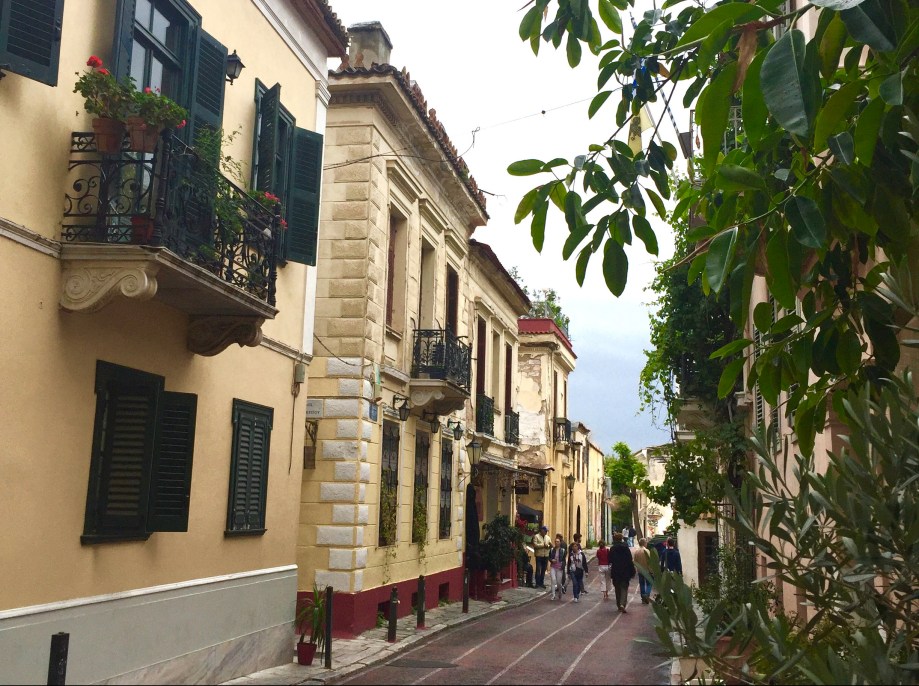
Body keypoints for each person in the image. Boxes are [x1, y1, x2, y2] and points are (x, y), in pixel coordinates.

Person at [609, 532, 635, 613]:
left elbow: (610, 560)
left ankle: (618, 604)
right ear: (622, 539)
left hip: (616, 571)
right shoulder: (626, 548)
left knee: (617, 588)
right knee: (624, 588)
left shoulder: (612, 549)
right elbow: (630, 560)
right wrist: (632, 571)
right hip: (625, 571)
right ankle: (622, 604)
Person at [632, 537, 653, 603]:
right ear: (644, 543)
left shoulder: (636, 552)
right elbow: (650, 562)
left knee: (642, 584)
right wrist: (651, 571)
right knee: (649, 583)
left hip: (640, 570)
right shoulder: (647, 551)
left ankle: (643, 597)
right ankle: (647, 594)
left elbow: (635, 561)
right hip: (647, 570)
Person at [548, 536, 566, 600]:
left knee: (558, 582)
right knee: (553, 580)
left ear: (560, 542)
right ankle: (553, 595)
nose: (556, 543)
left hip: (559, 568)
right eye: (555, 541)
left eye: (558, 541)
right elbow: (549, 557)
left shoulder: (563, 550)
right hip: (553, 567)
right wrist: (551, 560)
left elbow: (564, 560)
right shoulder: (552, 550)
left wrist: (562, 566)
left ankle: (560, 592)